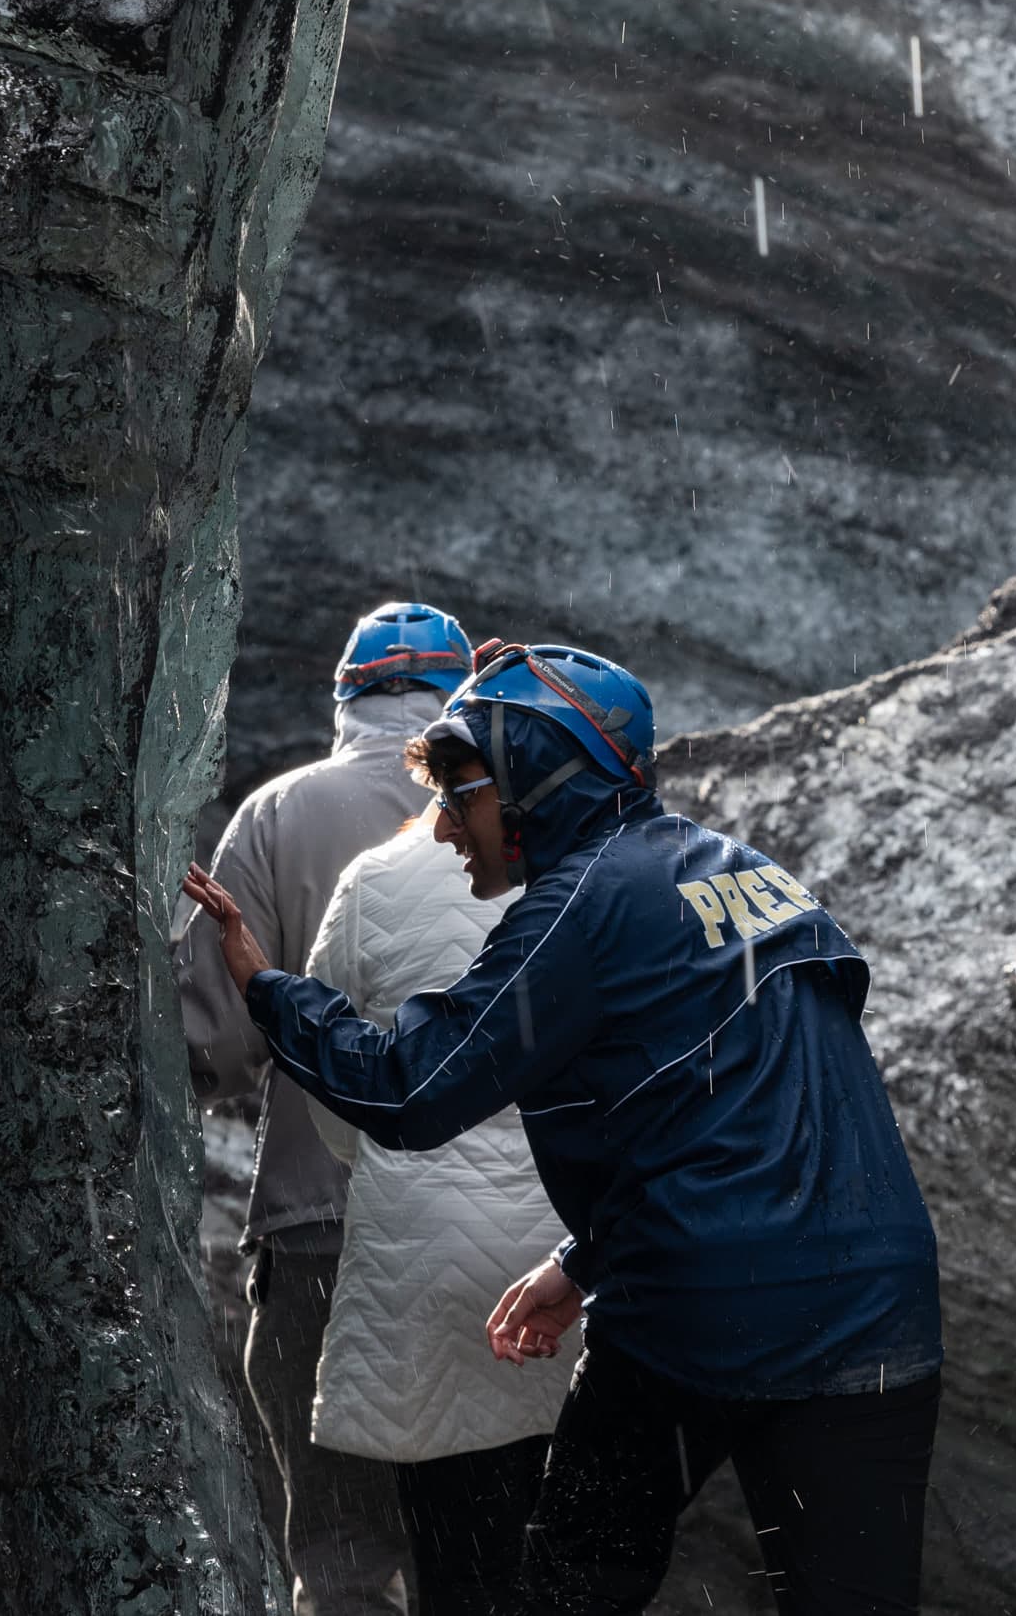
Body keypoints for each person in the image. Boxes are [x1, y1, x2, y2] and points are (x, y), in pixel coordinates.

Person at [181, 641, 944, 1616]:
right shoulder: (741, 871)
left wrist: (268, 987)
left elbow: (411, 1088)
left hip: (699, 1305)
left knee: (567, 1588)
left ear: (538, 785)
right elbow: (745, 1118)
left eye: (461, 796)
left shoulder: (577, 907)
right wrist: (584, 1261)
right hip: (881, 1303)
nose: (447, 829)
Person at [170, 600, 476, 1615]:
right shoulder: (513, 814)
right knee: (481, 1545)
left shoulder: (278, 811)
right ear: (458, 692)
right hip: (485, 1235)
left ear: (345, 697)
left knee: (343, 1558)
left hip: (320, 1233)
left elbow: (210, 1038)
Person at [300, 813, 568, 1616]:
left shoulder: (376, 877)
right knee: (577, 1559)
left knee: (460, 1565)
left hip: (425, 1265)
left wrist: (388, 1164)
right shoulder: (591, 873)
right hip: (574, 1255)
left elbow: (333, 1077)